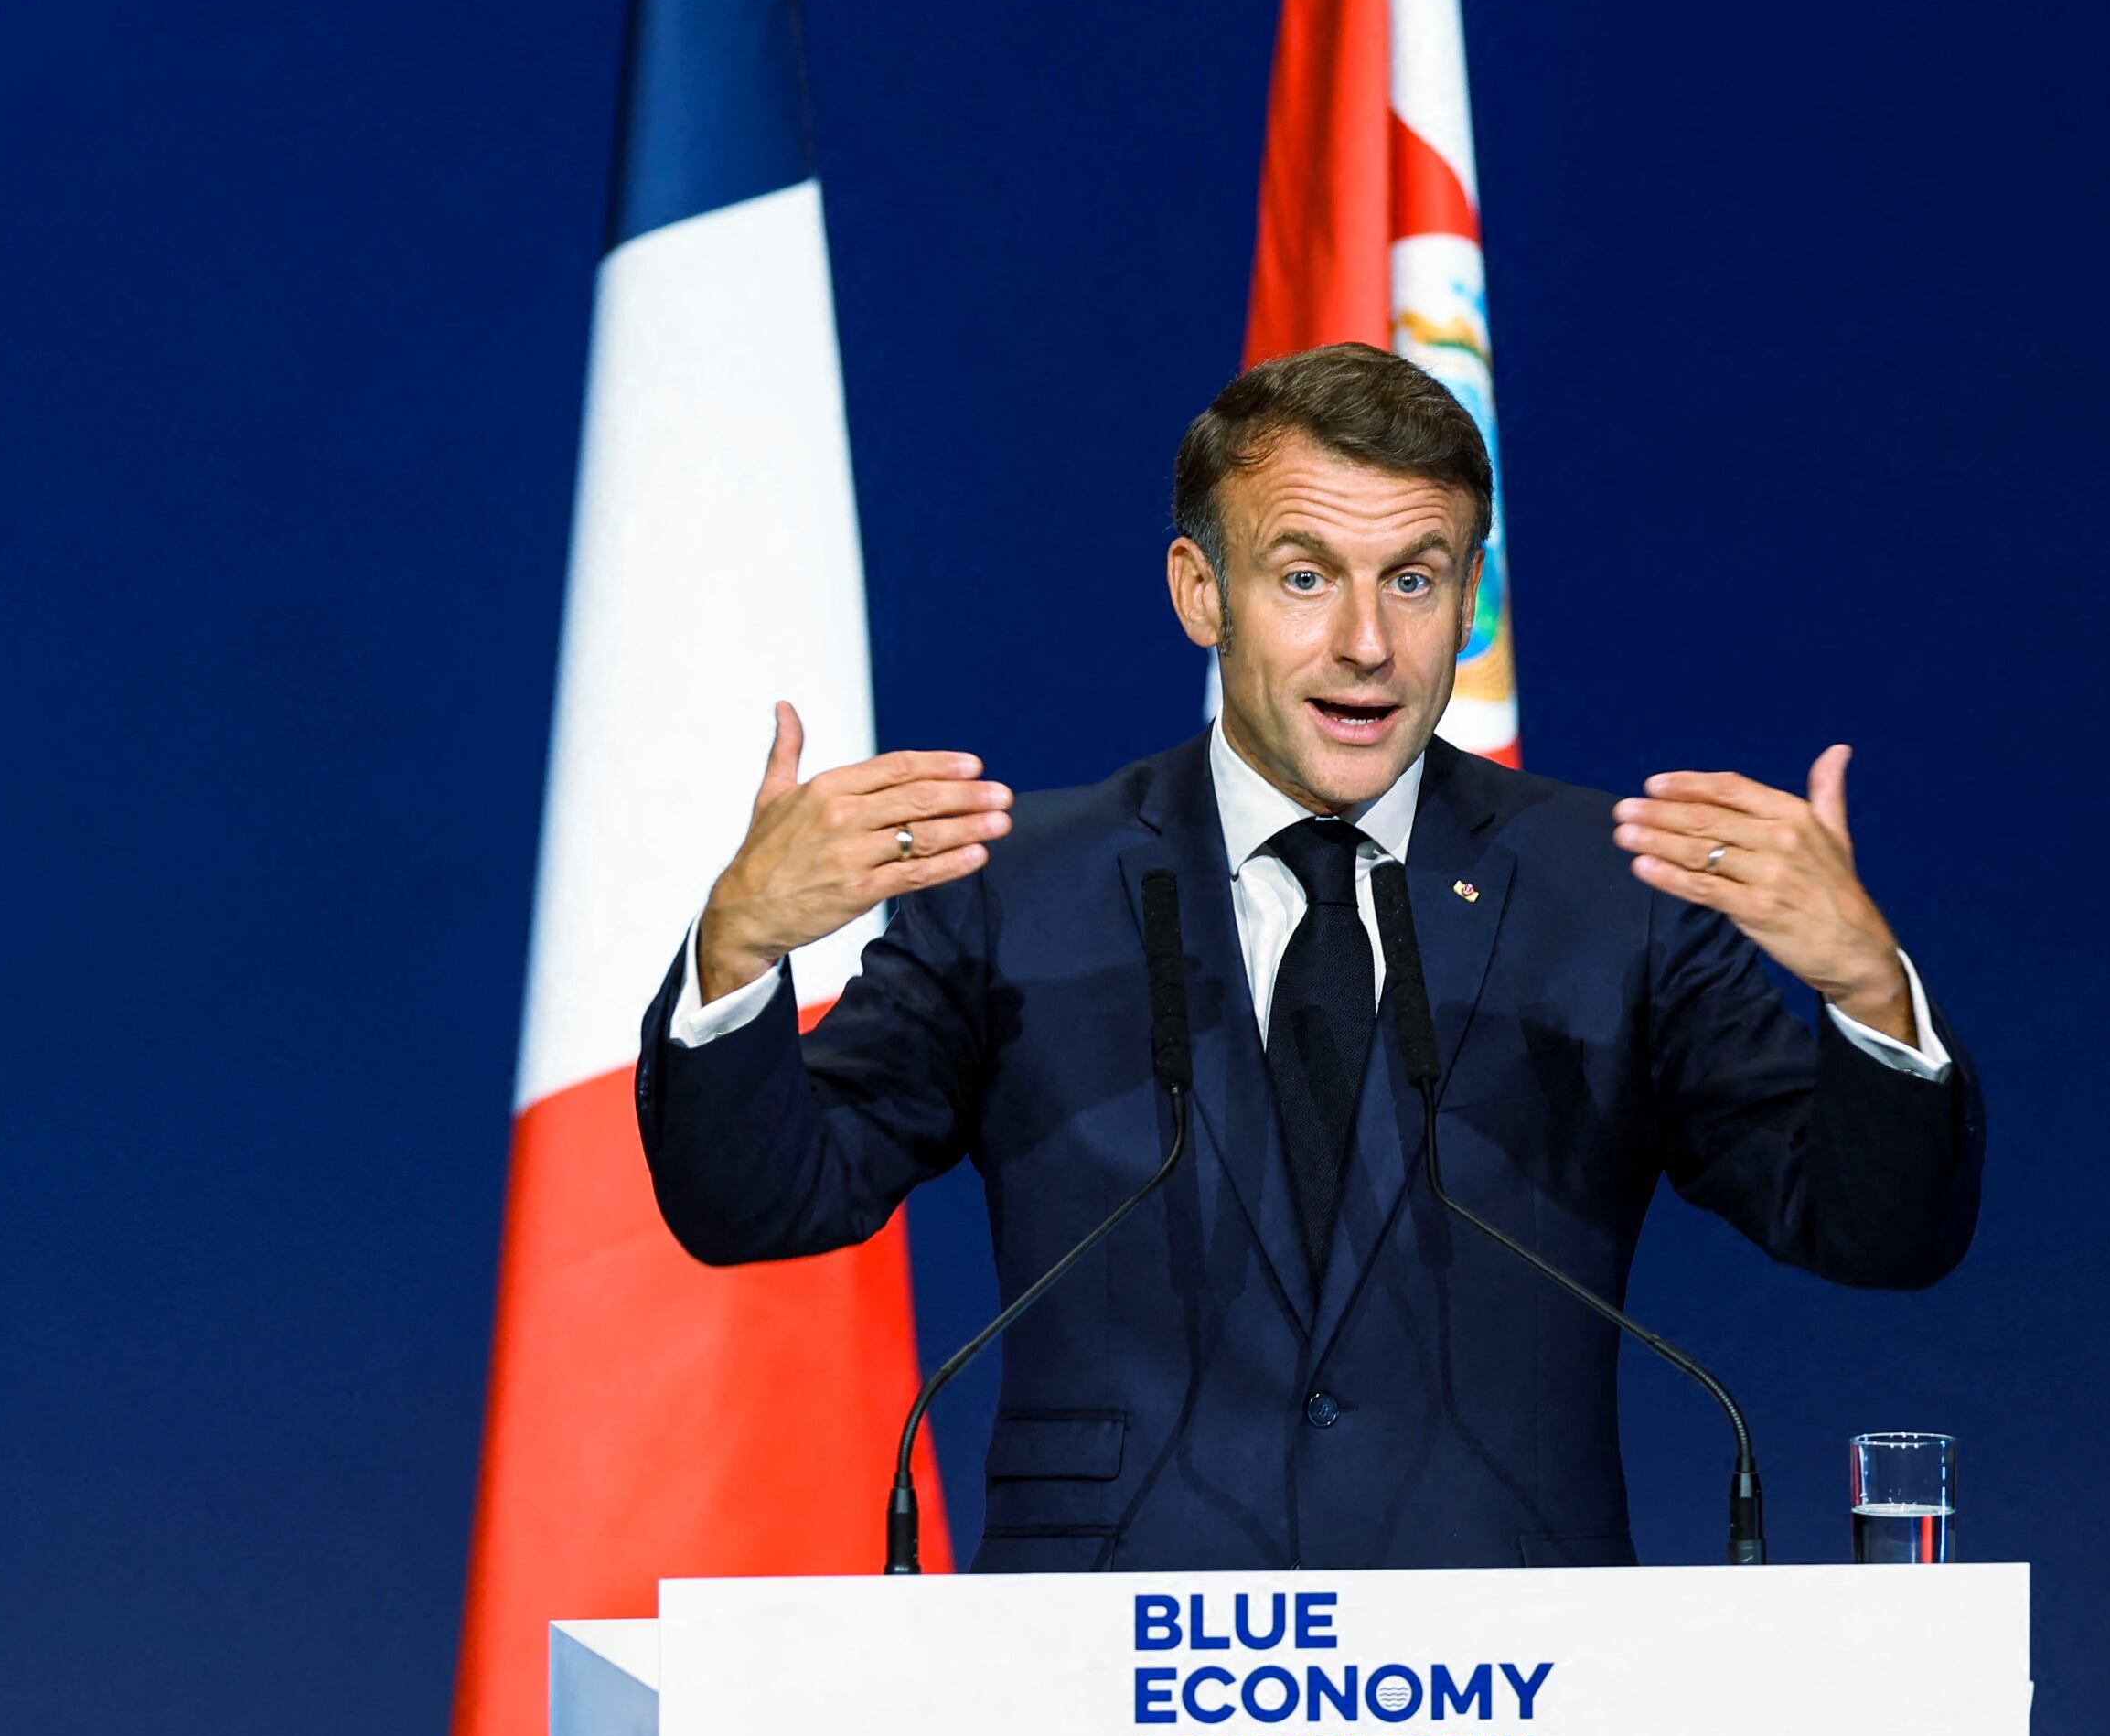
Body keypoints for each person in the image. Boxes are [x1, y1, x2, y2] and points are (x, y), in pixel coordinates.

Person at [637, 342, 1983, 1570]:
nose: (1365, 642)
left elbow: (1873, 1230)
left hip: (1504, 1710)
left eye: (1415, 577)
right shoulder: (1021, 892)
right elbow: (763, 1203)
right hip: (1104, 1698)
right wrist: (735, 948)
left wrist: (1872, 999)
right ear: (1198, 590)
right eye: (1304, 575)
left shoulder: (1608, 896)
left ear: (1471, 597)